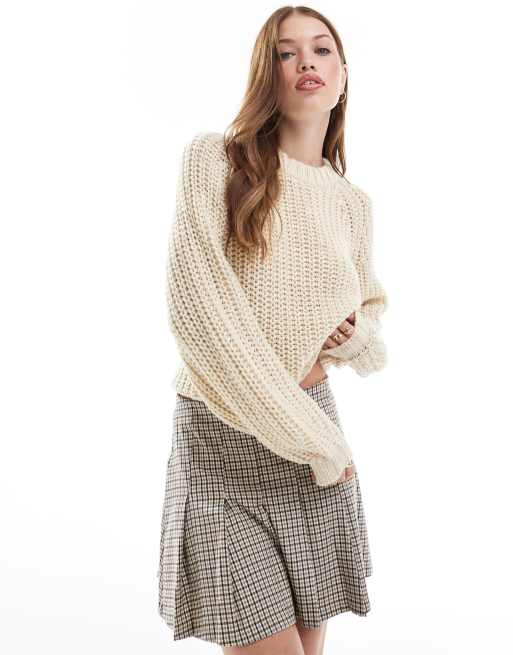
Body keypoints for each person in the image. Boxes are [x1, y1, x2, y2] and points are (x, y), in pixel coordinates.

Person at [157, 6, 389, 654]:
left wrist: (357, 340)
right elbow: (199, 310)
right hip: (226, 436)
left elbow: (370, 313)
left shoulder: (351, 203)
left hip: (313, 441)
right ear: (267, 72)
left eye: (321, 49)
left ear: (342, 75)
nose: (306, 61)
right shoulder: (216, 159)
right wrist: (312, 439)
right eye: (287, 53)